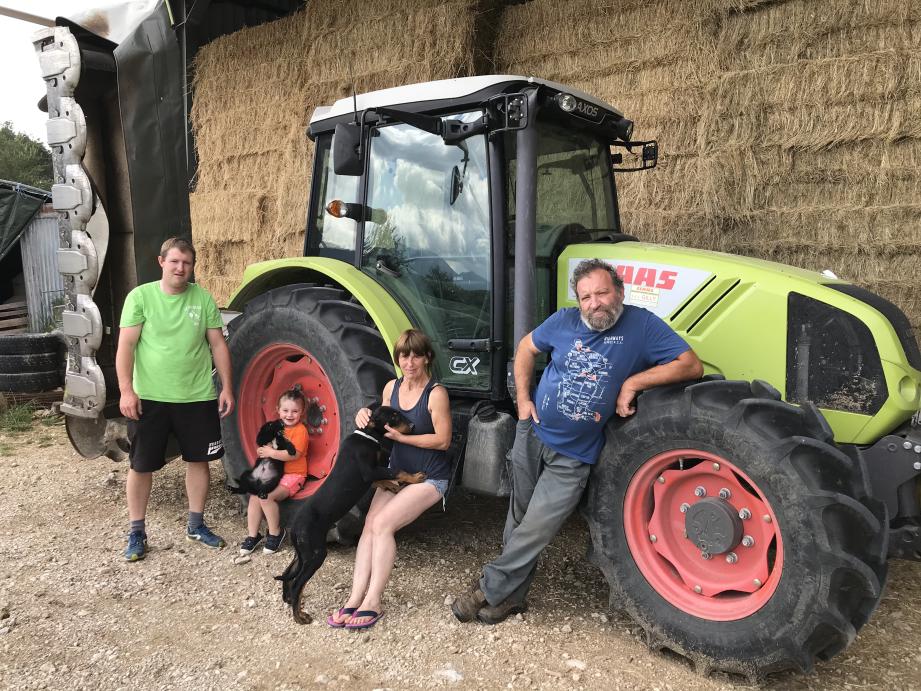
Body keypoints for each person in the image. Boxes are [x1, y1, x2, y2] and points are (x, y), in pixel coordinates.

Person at [452, 258, 703, 624]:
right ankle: (512, 599)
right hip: (533, 435)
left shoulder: (641, 326)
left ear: (618, 292)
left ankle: (486, 590)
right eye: (586, 297)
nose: (594, 303)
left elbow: (690, 364)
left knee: (537, 527)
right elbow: (525, 348)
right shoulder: (562, 321)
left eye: (601, 293)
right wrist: (523, 400)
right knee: (518, 521)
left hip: (574, 455)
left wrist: (633, 383)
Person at [117, 237, 234, 562]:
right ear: (161, 262)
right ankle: (137, 531)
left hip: (196, 396)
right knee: (141, 465)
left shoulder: (203, 298)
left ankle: (196, 524)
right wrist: (126, 391)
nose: (181, 268)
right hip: (150, 398)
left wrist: (227, 387)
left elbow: (218, 346)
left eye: (187, 263)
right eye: (175, 262)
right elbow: (125, 346)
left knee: (198, 461)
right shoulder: (141, 297)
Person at [327, 329, 452, 630]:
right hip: (398, 474)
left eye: (416, 356)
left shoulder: (436, 394)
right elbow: (378, 421)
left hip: (429, 479)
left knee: (383, 525)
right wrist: (362, 414)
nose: (409, 363)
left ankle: (374, 601)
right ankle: (355, 598)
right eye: (403, 356)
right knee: (370, 525)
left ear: (427, 358)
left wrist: (401, 438)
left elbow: (443, 440)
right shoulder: (390, 388)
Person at [239, 386, 310, 555]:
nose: (289, 415)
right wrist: (264, 451)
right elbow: (269, 445)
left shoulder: (300, 431)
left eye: (295, 411)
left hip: (294, 475)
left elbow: (292, 455)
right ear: (278, 410)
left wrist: (272, 452)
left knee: (265, 496)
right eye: (285, 410)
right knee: (254, 495)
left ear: (302, 412)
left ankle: (275, 533)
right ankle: (253, 535)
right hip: (277, 473)